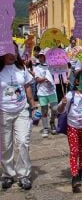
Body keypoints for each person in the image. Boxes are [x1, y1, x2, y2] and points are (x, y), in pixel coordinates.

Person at [0, 43, 37, 190]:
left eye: (15, 51)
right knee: (5, 145)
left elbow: (27, 86)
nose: (13, 54)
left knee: (23, 142)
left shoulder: (22, 68)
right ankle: (8, 174)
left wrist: (33, 104)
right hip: (3, 112)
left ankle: (24, 175)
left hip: (22, 110)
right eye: (10, 51)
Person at [57, 71, 82, 191]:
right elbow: (59, 110)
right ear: (77, 81)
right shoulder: (70, 95)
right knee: (74, 151)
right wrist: (63, 104)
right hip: (72, 127)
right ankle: (75, 176)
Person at [34, 50, 58, 137]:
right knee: (44, 111)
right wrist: (45, 78)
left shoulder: (51, 66)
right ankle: (45, 128)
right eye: (40, 56)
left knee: (55, 109)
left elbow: (57, 76)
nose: (41, 58)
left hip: (52, 91)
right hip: (42, 92)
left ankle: (52, 122)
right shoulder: (37, 68)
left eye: (42, 56)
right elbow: (37, 80)